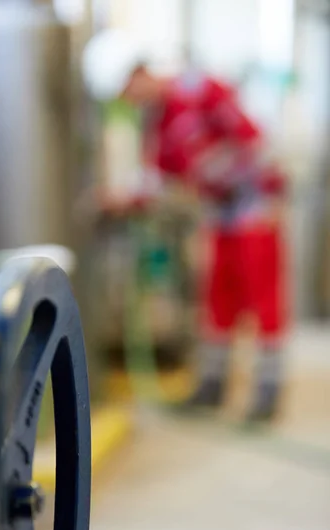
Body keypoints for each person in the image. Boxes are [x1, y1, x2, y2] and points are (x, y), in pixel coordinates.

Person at [82, 30, 289, 422]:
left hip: (256, 206)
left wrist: (261, 194)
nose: (131, 100)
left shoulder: (201, 91)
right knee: (219, 299)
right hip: (220, 213)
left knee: (263, 299)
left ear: (139, 72)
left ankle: (268, 390)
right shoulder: (159, 128)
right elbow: (157, 181)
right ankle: (212, 385)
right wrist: (121, 198)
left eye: (128, 89)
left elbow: (253, 142)